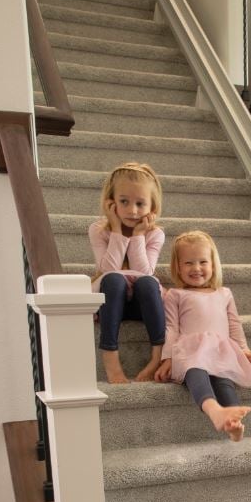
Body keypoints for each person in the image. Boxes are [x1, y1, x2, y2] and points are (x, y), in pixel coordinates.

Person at [154, 230, 251, 442]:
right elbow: (171, 328)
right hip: (191, 350)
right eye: (188, 263)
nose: (196, 268)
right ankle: (214, 410)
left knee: (224, 380)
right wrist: (167, 358)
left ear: (213, 264)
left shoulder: (224, 293)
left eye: (202, 262)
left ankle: (233, 423)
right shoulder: (175, 295)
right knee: (196, 372)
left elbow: (234, 323)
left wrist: (243, 348)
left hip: (220, 349)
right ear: (177, 267)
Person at [89, 162, 166, 383]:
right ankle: (111, 360)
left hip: (143, 304)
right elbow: (107, 270)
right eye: (124, 202)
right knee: (114, 279)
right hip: (111, 304)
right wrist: (116, 230)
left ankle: (156, 358)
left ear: (152, 208)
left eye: (140, 203)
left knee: (148, 283)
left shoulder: (155, 234)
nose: (132, 210)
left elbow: (144, 272)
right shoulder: (98, 230)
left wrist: (138, 235)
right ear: (111, 202)